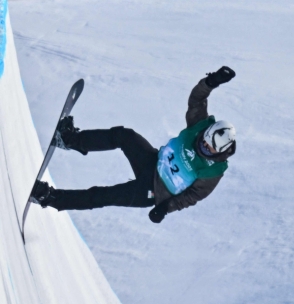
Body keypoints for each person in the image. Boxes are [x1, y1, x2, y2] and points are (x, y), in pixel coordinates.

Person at [30, 66, 237, 224]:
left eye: (209, 149)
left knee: (105, 195)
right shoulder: (199, 126)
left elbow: (191, 196)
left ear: (220, 151)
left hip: (154, 191)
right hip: (153, 162)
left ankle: (50, 198)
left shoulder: (213, 172)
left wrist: (165, 208)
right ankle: (69, 139)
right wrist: (211, 81)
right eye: (203, 142)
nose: (203, 147)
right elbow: (196, 99)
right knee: (125, 136)